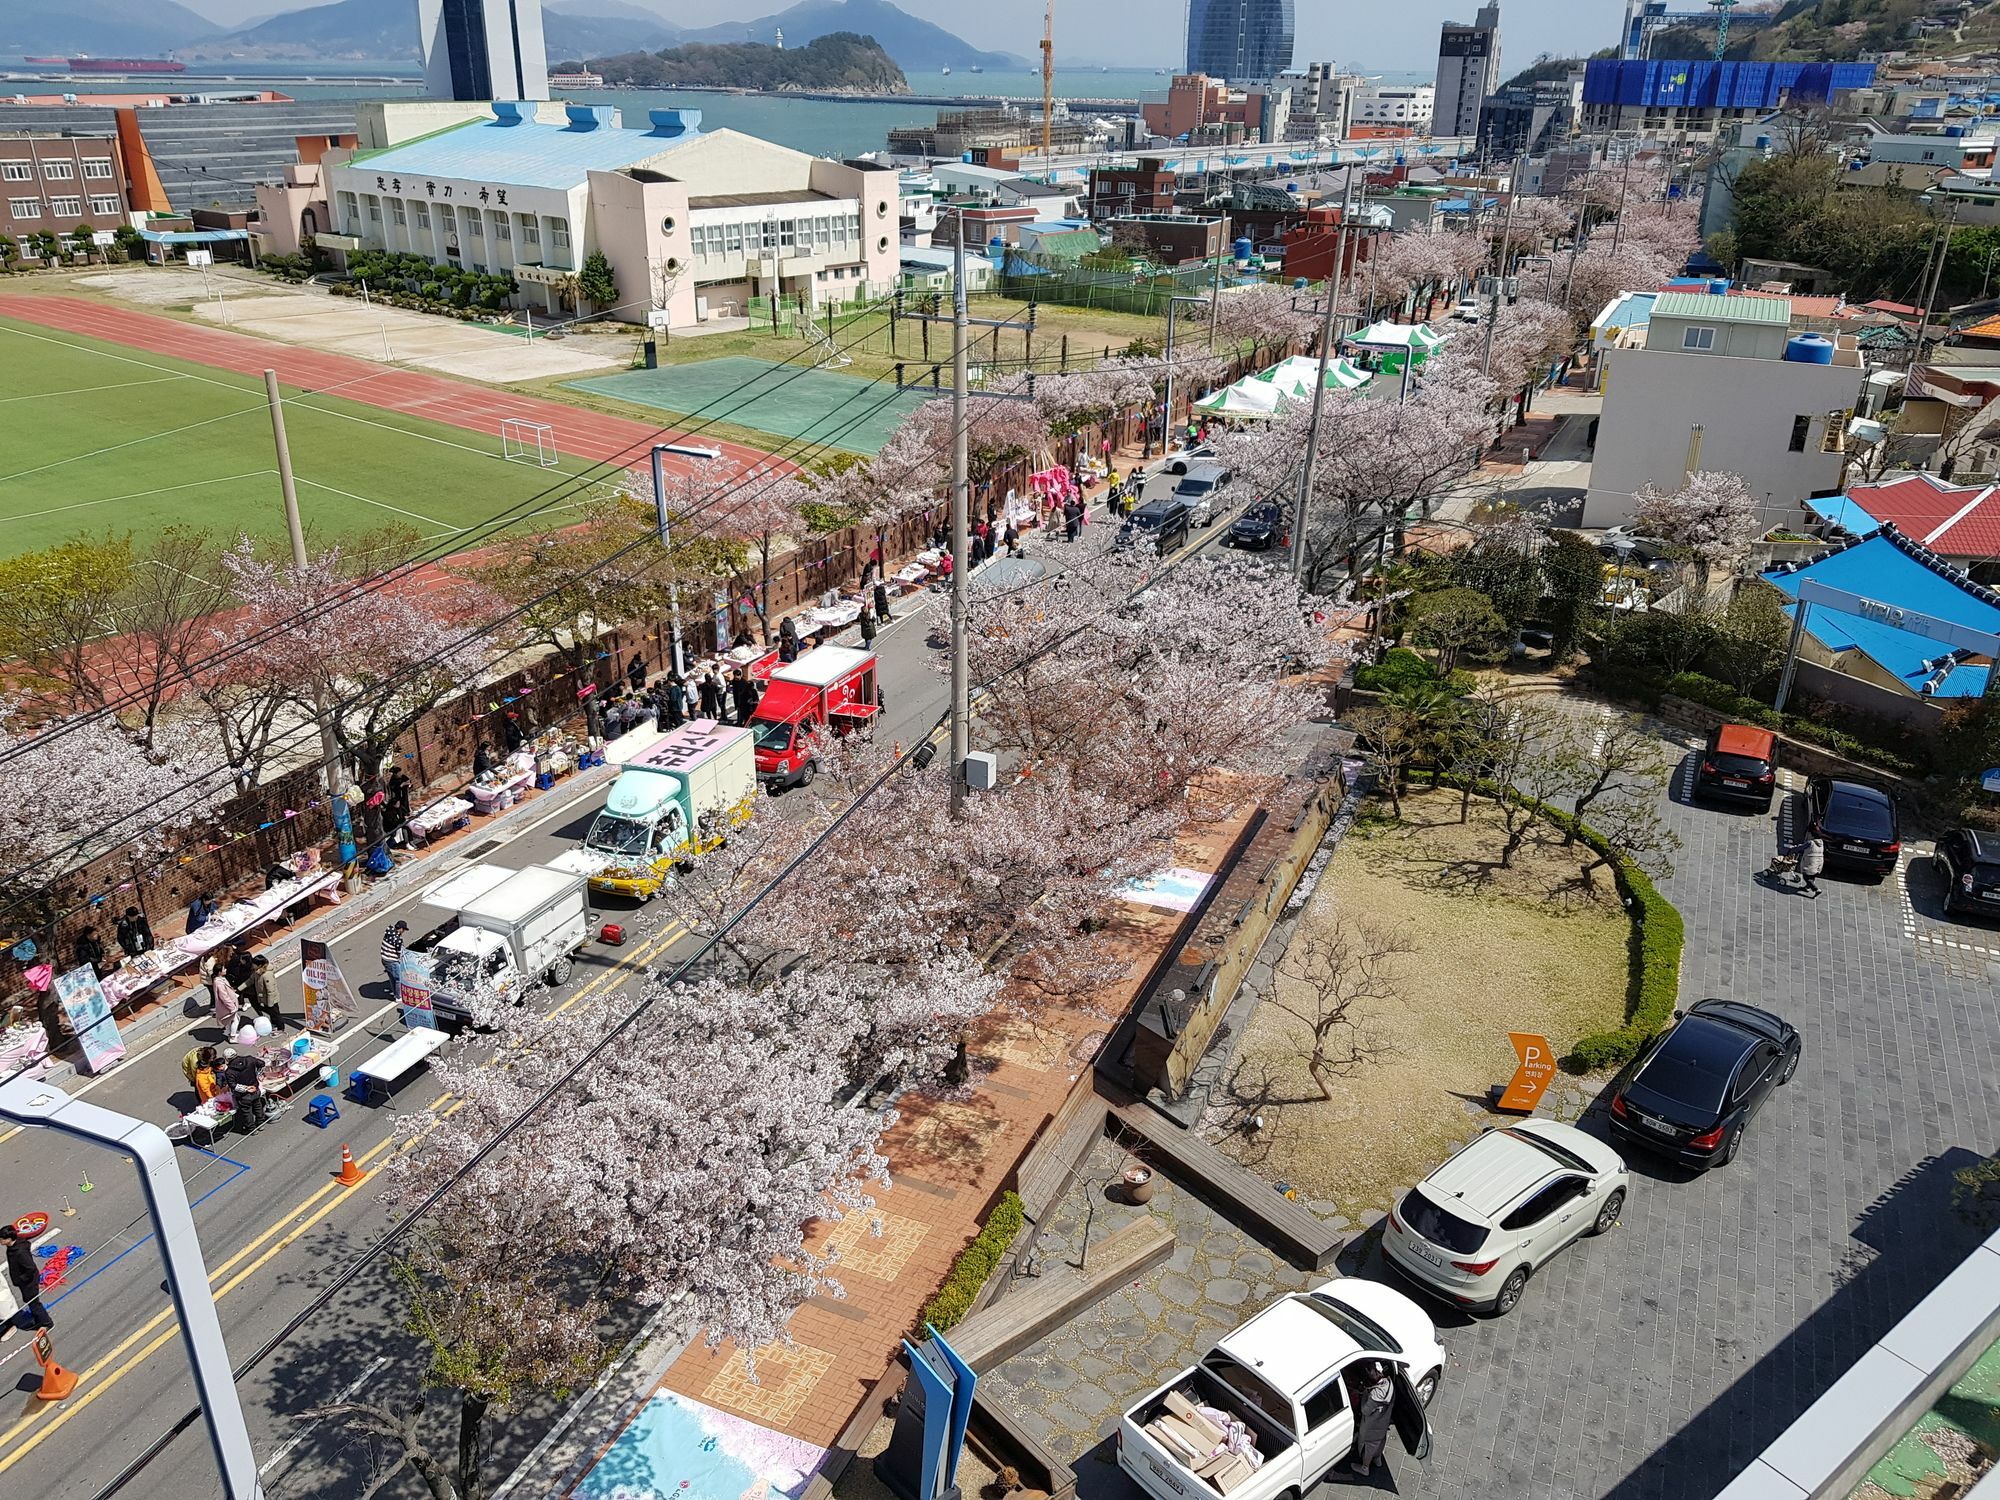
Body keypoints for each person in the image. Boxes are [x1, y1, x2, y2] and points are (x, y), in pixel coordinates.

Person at [2, 1224, 52, 1332]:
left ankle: (46, 1323)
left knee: (34, 1303)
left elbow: (30, 1268)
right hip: (23, 1281)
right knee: (30, 1301)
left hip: (28, 1282)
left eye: (2, 1239)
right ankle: (38, 1320)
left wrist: (21, 1279)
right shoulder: (13, 1247)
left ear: (9, 1239)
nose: (0, 1241)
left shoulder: (20, 1252)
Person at [1349, 1362, 1396, 1477]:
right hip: (1383, 1423)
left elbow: (1365, 1410)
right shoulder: (1389, 1384)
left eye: (1371, 1371)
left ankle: (1365, 1467)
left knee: (1368, 1446)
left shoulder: (1375, 1395)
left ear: (1377, 1373)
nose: (1369, 1374)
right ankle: (1377, 1459)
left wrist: (1364, 1394)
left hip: (1371, 1426)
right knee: (1379, 1442)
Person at [221, 1049, 267, 1132]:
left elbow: (233, 1085)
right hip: (255, 1089)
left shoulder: (229, 1072)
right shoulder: (249, 1059)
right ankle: (261, 1124)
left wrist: (246, 1089)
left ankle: (252, 1129)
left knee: (247, 1112)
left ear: (226, 1059)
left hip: (243, 1095)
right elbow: (262, 1064)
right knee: (258, 1106)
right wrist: (258, 1074)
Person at [1787, 824, 1826, 899]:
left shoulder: (1810, 843)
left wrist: (1792, 849)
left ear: (1812, 835)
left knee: (1806, 876)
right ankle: (1807, 887)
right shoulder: (1821, 843)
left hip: (1811, 862)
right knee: (1813, 875)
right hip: (1819, 862)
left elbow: (1801, 847)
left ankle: (1816, 889)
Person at [381, 920, 408, 992]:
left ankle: (394, 992)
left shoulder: (389, 932)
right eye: (404, 930)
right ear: (401, 929)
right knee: (398, 979)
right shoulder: (398, 940)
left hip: (384, 959)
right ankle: (398, 996)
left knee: (391, 977)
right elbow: (399, 952)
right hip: (392, 961)